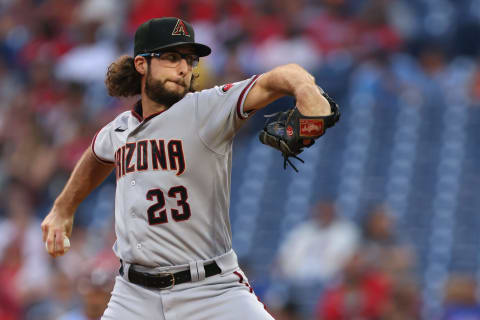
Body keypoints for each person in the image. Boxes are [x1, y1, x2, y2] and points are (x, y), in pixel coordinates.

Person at [41, 17, 333, 320]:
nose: (183, 68)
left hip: (210, 288)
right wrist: (64, 207)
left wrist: (305, 89)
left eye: (189, 59)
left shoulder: (206, 108)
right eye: (171, 57)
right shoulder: (118, 130)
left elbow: (278, 77)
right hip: (133, 294)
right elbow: (95, 157)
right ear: (141, 64)